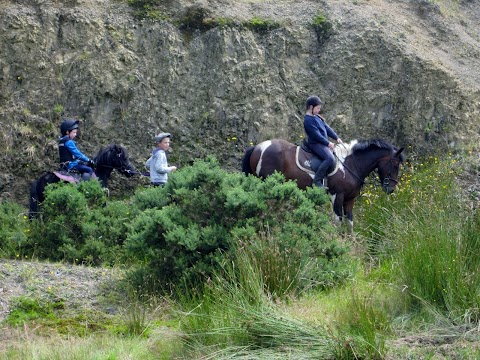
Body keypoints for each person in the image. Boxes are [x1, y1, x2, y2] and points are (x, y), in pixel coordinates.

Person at [304, 95, 343, 189]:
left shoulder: (317, 117)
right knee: (330, 158)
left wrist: (336, 137)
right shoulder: (308, 120)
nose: (319, 110)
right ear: (311, 107)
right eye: (317, 108)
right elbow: (316, 135)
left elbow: (327, 128)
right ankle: (317, 180)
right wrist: (328, 143)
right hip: (315, 144)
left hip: (322, 143)